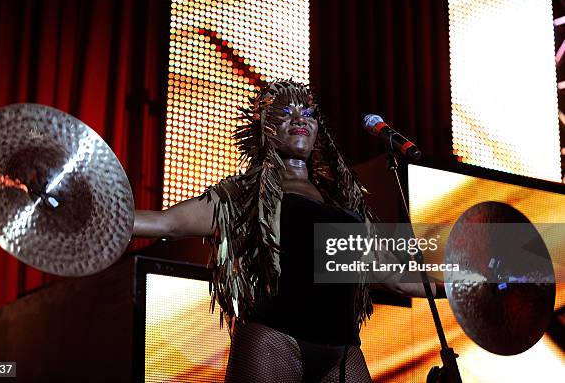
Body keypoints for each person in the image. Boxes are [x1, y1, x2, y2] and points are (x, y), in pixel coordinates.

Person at [133, 81, 443, 382]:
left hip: (342, 351)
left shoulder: (341, 206)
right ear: (265, 127)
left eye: (308, 114)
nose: (300, 120)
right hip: (274, 340)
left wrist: (469, 283)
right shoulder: (245, 195)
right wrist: (100, 221)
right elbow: (166, 224)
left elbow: (398, 279)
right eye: (285, 113)